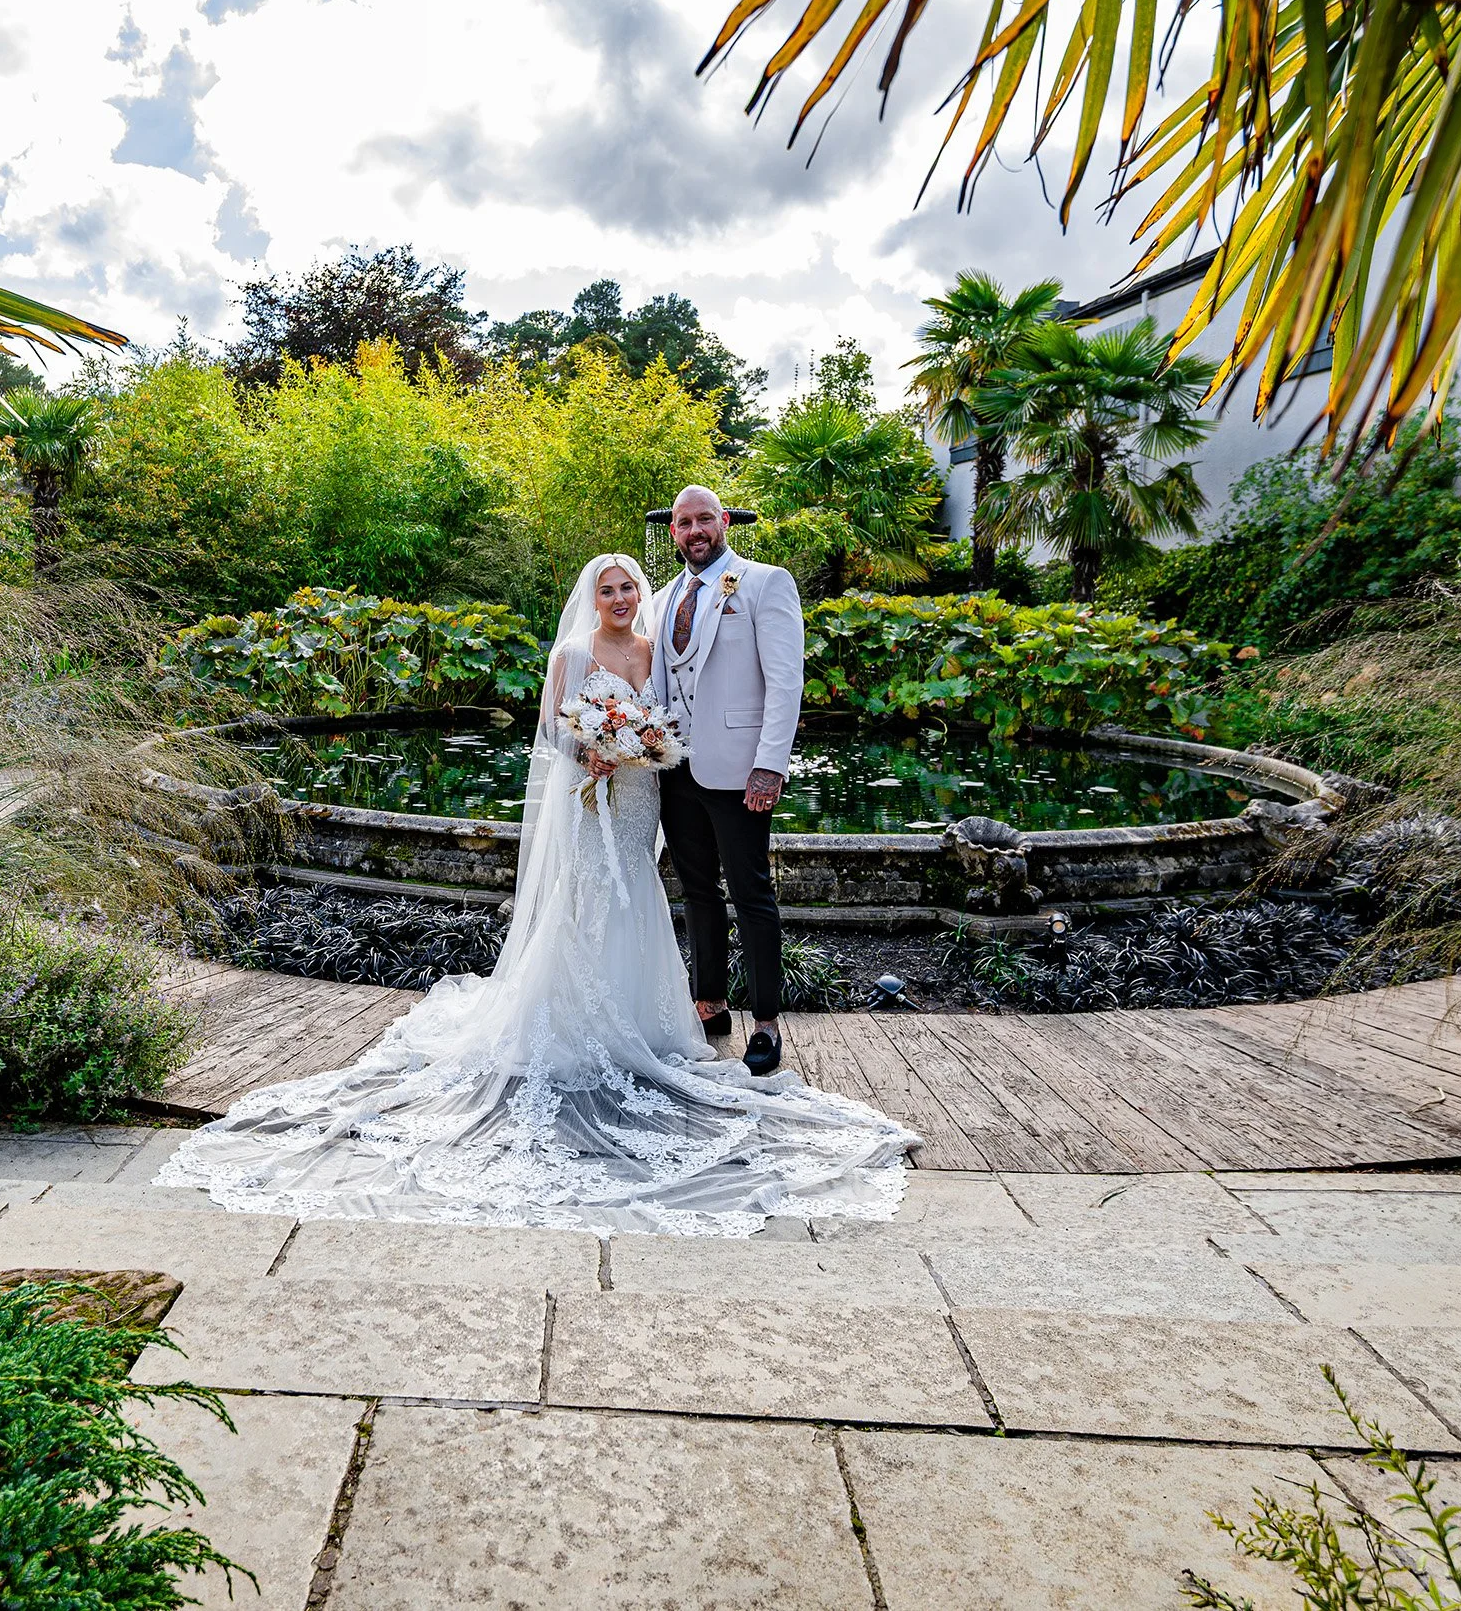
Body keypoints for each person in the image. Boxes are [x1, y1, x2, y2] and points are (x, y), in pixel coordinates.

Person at [155, 553, 916, 1236]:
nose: (620, 597)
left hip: (641, 794)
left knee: (640, 899)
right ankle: (575, 1017)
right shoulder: (571, 651)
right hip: (592, 794)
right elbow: (552, 729)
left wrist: (642, 745)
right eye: (608, 588)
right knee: (586, 898)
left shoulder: (651, 649)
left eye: (629, 587)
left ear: (639, 593)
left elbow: (664, 717)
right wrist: (589, 746)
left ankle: (650, 1022)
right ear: (592, 595)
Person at [652, 484, 804, 1076]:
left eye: (705, 519)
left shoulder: (766, 582)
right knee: (697, 893)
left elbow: (785, 682)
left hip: (741, 769)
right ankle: (709, 1004)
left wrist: (770, 763)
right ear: (673, 531)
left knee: (751, 894)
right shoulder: (662, 598)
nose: (695, 530)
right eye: (684, 522)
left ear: (724, 522)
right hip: (676, 768)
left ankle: (765, 1022)